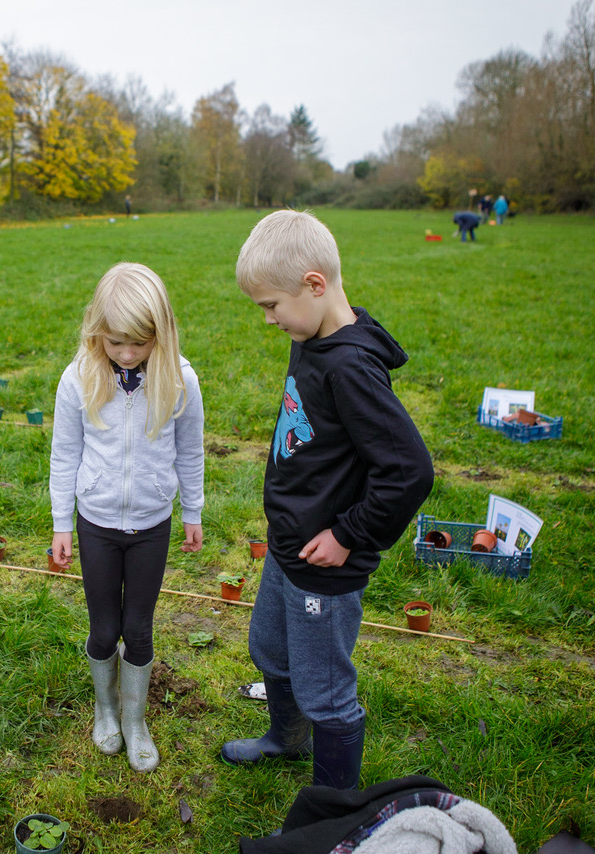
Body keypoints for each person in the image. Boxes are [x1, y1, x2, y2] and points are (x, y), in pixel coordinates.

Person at [221, 210, 433, 790]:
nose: (268, 319)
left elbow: (409, 470)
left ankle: (334, 808)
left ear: (315, 285)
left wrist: (347, 535)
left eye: (271, 305)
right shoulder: (311, 335)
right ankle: (285, 741)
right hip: (290, 548)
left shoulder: (351, 368)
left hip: (325, 564)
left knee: (326, 690)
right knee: (269, 650)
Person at [49, 262, 205, 773]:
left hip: (151, 526)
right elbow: (64, 454)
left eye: (140, 342)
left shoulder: (180, 379)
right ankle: (105, 709)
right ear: (98, 332)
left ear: (161, 331)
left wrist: (192, 511)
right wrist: (62, 523)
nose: (129, 354)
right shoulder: (78, 378)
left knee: (138, 628)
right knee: (103, 629)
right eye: (117, 343)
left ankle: (136, 721)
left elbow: (191, 451)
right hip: (95, 524)